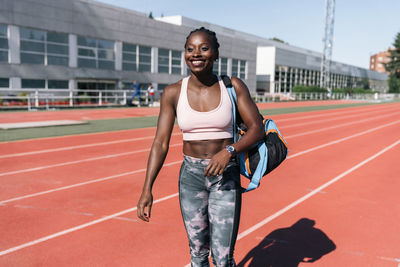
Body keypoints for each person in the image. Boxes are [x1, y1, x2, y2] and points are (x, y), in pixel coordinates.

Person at [137, 27, 264, 267]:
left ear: (215, 54)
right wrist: (147, 189)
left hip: (225, 177)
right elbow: (160, 142)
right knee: (197, 253)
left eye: (204, 48)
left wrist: (229, 152)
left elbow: (257, 128)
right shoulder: (173, 93)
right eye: (190, 49)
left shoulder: (232, 86)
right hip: (191, 177)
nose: (196, 54)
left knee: (223, 257)